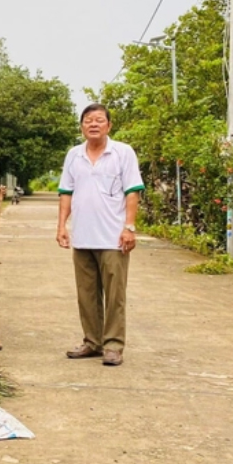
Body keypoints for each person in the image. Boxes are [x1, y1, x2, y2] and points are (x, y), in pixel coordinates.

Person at [56, 103, 144, 367]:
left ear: (109, 125)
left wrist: (129, 227)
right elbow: (66, 193)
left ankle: (114, 346)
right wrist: (62, 225)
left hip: (113, 239)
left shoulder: (123, 153)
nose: (93, 124)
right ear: (81, 126)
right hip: (82, 237)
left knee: (115, 295)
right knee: (87, 295)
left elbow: (132, 191)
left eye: (99, 120)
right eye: (88, 120)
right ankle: (92, 342)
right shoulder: (73, 155)